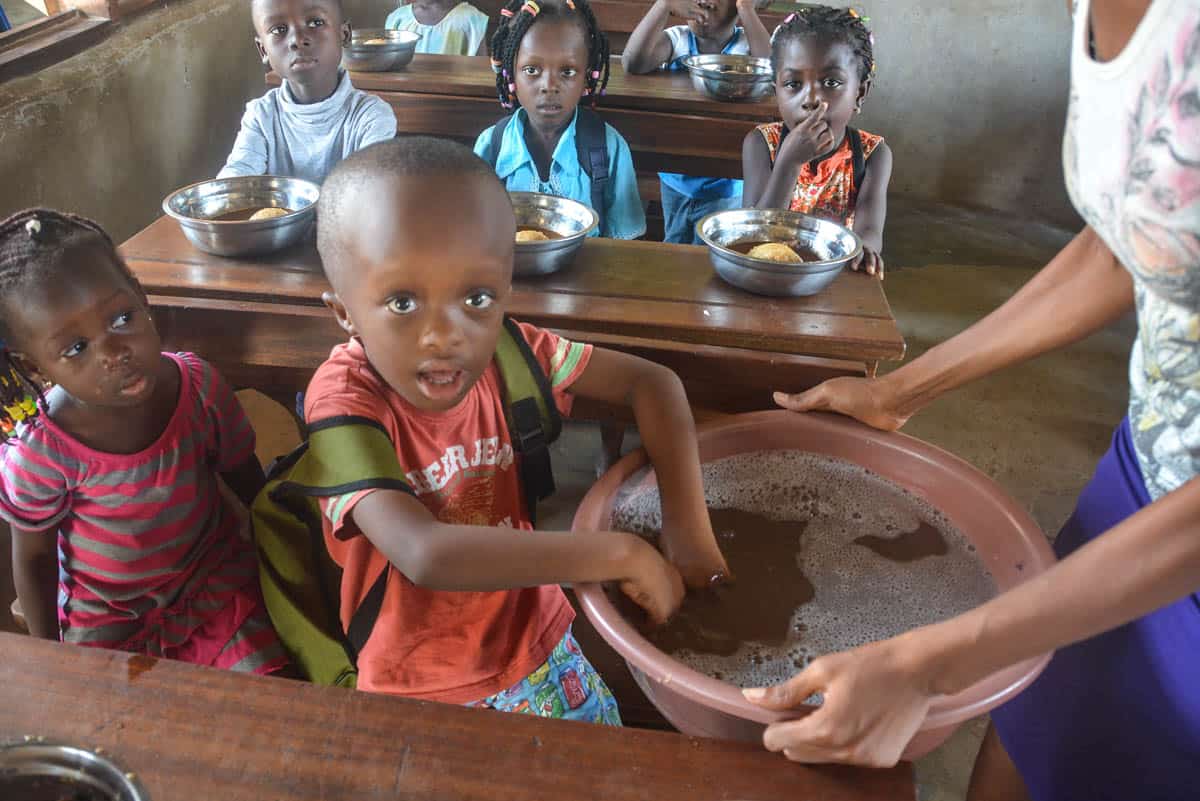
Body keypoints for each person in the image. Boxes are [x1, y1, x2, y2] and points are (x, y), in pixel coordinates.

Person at [742, 1, 1200, 798]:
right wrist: (905, 391)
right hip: (1145, 464)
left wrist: (934, 660)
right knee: (1046, 723)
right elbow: (1136, 239)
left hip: (1184, 528)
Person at [302, 136, 730, 720]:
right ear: (345, 312)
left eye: (476, 297)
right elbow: (424, 554)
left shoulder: (512, 353)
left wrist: (688, 532)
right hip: (420, 682)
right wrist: (623, 554)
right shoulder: (343, 401)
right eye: (402, 302)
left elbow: (653, 385)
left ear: (507, 288)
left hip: (535, 637)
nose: (444, 334)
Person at [0, 209, 288, 676]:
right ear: (35, 368)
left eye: (121, 317)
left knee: (275, 702)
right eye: (76, 349)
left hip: (216, 590)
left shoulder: (197, 389)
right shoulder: (42, 454)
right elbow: (33, 559)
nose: (116, 354)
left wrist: (284, 561)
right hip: (110, 628)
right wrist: (51, 657)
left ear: (140, 294)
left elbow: (247, 478)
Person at [475, 0, 646, 240]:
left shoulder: (609, 148)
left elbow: (626, 247)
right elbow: (477, 231)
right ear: (510, 74)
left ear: (587, 77)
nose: (549, 86)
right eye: (532, 70)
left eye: (567, 71)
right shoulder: (491, 146)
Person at [742, 6, 890, 277]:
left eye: (831, 82)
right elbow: (753, 236)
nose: (810, 99)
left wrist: (865, 249)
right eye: (793, 84)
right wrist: (789, 161)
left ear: (860, 92)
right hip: (768, 276)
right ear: (776, 92)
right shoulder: (761, 144)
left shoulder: (871, 154)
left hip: (833, 277)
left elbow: (870, 230)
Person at [622, 0, 770, 244]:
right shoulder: (677, 40)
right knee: (674, 246)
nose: (704, 2)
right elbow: (633, 63)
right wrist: (664, 4)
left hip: (728, 181)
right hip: (676, 176)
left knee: (713, 251)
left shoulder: (747, 45)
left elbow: (773, 69)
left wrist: (747, 9)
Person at [219, 0, 397, 184]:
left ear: (344, 35)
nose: (297, 39)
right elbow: (237, 174)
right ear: (263, 49)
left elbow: (369, 190)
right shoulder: (261, 115)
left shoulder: (371, 116)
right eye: (279, 30)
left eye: (315, 23)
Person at [385, 0, 489, 56]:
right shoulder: (398, 18)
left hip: (455, 92)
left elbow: (481, 68)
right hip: (406, 90)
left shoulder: (471, 19)